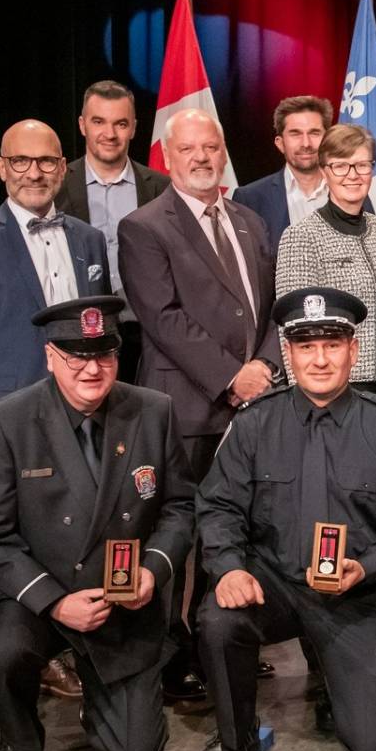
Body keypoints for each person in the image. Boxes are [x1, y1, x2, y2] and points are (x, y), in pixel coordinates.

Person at [191, 287, 376, 751]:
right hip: (274, 584)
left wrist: (366, 566)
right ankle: (237, 738)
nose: (320, 359)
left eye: (332, 344)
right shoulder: (254, 423)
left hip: (353, 593)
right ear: (289, 353)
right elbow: (217, 506)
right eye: (306, 346)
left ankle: (335, 675)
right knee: (219, 618)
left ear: (353, 348)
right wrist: (230, 568)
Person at [0, 295, 195, 751]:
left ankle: (101, 695)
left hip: (121, 603)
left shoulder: (153, 411)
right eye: (77, 356)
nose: (92, 368)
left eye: (104, 355)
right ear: (51, 357)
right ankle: (18, 742)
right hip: (42, 597)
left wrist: (152, 570)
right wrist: (56, 602)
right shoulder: (7, 421)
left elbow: (179, 507)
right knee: (2, 651)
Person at [0, 119, 109, 714]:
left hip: (80, 415)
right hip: (4, 426)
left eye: (45, 162)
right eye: (21, 162)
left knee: (68, 534)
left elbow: (99, 334)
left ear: (63, 167)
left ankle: (56, 655)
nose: (34, 172)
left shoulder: (88, 240)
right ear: (1, 167)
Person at [119, 107, 283, 702]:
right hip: (184, 408)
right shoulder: (144, 226)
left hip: (252, 403)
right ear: (168, 154)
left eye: (211, 147)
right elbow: (161, 318)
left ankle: (226, 638)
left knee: (237, 526)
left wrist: (264, 364)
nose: (202, 158)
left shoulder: (248, 221)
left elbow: (270, 309)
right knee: (180, 533)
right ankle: (174, 653)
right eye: (189, 149)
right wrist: (229, 377)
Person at [275, 123, 376, 406]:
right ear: (324, 171)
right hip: (339, 388)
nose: (353, 175)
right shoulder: (301, 236)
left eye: (361, 165)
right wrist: (306, 396)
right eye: (341, 166)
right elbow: (292, 326)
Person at [55, 80, 170, 379]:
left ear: (133, 128)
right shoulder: (56, 187)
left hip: (146, 337)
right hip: (78, 337)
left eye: (120, 123)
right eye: (98, 122)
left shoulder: (161, 188)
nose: (109, 134)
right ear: (82, 125)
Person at [232, 95, 344, 247]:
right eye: (295, 134)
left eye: (314, 133)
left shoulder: (350, 189)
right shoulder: (250, 199)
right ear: (280, 143)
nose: (306, 143)